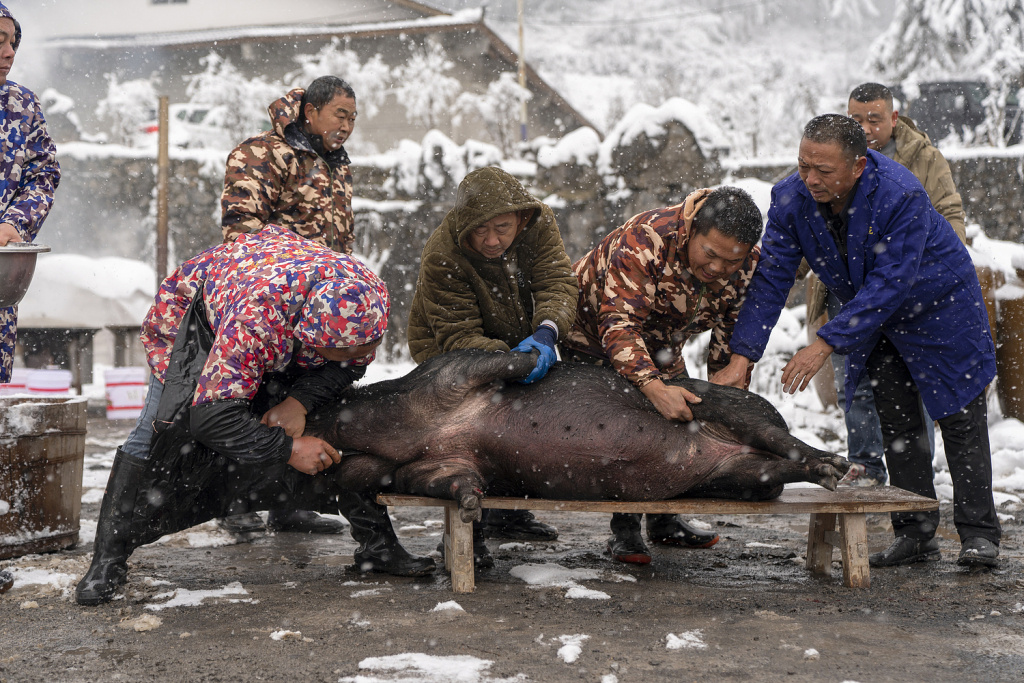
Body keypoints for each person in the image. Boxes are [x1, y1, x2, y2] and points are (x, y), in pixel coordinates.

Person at [76, 226, 434, 606]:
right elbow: (210, 417)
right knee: (162, 431)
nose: (361, 355)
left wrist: (298, 402)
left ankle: (378, 547)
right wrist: (289, 449)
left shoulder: (363, 298)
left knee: (335, 423)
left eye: (370, 345)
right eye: (345, 350)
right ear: (313, 338)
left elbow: (350, 365)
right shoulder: (254, 322)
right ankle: (108, 559)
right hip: (199, 322)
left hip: (275, 305)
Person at [719, 114, 1000, 569]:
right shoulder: (791, 199)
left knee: (960, 418)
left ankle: (980, 534)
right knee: (899, 423)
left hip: (940, 307)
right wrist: (742, 357)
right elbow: (771, 280)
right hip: (875, 320)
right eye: (803, 165)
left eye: (823, 171)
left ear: (858, 166)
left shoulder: (899, 193)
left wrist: (824, 341)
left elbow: (892, 281)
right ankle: (916, 532)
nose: (809, 179)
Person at [563, 186, 763, 564]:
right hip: (589, 333)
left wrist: (725, 394)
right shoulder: (648, 238)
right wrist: (651, 385)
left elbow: (731, 335)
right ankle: (624, 528)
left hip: (662, 343)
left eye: (731, 261)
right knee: (623, 426)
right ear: (692, 232)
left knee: (684, 418)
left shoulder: (748, 263)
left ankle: (664, 520)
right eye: (710, 254)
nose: (719, 268)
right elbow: (618, 323)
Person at [407, 166, 578, 567]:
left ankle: (509, 513)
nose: (491, 240)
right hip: (446, 348)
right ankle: (468, 530)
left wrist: (548, 333)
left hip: (520, 333)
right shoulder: (443, 254)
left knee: (523, 420)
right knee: (475, 424)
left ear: (521, 218)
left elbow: (557, 281)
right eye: (479, 231)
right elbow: (459, 335)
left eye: (502, 227)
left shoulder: (539, 224)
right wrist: (514, 362)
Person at [807, 82, 969, 486]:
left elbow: (949, 215)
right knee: (855, 383)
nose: (863, 127)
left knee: (912, 388)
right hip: (847, 292)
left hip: (908, 294)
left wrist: (929, 272)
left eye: (873, 119)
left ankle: (914, 478)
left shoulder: (923, 158)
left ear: (894, 119)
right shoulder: (832, 161)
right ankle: (865, 465)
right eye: (855, 119)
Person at [217, 75, 359, 534]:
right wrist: (274, 289)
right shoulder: (263, 152)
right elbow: (241, 229)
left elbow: (338, 238)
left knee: (301, 400)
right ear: (311, 111)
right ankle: (232, 504)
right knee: (248, 398)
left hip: (317, 306)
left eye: (353, 118)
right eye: (340, 114)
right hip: (271, 301)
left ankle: (286, 503)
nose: (347, 126)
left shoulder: (335, 164)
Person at [0, 2, 60, 384]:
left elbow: (43, 174)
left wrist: (13, 223)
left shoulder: (21, 105)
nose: (8, 52)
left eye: (11, 42)